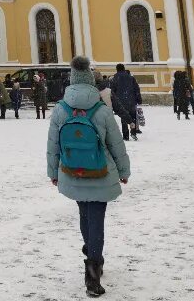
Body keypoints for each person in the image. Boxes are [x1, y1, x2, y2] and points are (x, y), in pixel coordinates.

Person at [46, 56, 131, 298]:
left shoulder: (61, 109)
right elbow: (116, 143)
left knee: (84, 213)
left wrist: (53, 172)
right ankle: (93, 268)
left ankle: (91, 251)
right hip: (100, 171)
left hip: (72, 171)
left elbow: (53, 144)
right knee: (96, 218)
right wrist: (124, 171)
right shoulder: (101, 109)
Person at [110, 64, 142, 141]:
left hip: (120, 102)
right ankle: (133, 132)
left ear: (117, 69)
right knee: (133, 117)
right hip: (131, 100)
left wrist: (113, 102)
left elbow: (112, 92)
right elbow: (136, 89)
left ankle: (125, 135)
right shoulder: (131, 78)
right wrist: (139, 99)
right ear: (124, 69)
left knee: (124, 118)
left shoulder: (114, 79)